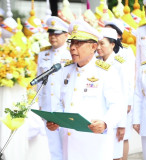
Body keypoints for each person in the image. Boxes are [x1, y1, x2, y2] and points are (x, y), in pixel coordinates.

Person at [47, 19, 126, 160]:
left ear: (93, 47)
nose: (72, 48)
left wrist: (105, 123)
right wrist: (56, 121)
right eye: (71, 43)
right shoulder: (66, 71)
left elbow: (118, 105)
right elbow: (60, 103)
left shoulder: (105, 72)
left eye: (78, 43)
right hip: (69, 144)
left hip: (94, 144)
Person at [37, 16, 71, 160]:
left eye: (56, 34)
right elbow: (39, 80)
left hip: (64, 107)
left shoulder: (71, 53)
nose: (53, 37)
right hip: (47, 107)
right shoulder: (43, 53)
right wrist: (40, 104)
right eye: (51, 33)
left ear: (66, 35)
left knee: (69, 146)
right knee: (53, 149)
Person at [104, 19, 135, 160]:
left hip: (124, 100)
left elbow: (129, 80)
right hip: (107, 101)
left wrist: (128, 102)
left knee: (123, 136)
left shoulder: (126, 53)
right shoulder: (101, 54)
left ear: (119, 35)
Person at [97, 27, 129, 160]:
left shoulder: (119, 64)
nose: (98, 47)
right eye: (97, 43)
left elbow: (124, 94)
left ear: (112, 44)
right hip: (100, 117)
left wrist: (121, 124)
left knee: (115, 155)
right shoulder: (96, 62)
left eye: (102, 43)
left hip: (115, 119)